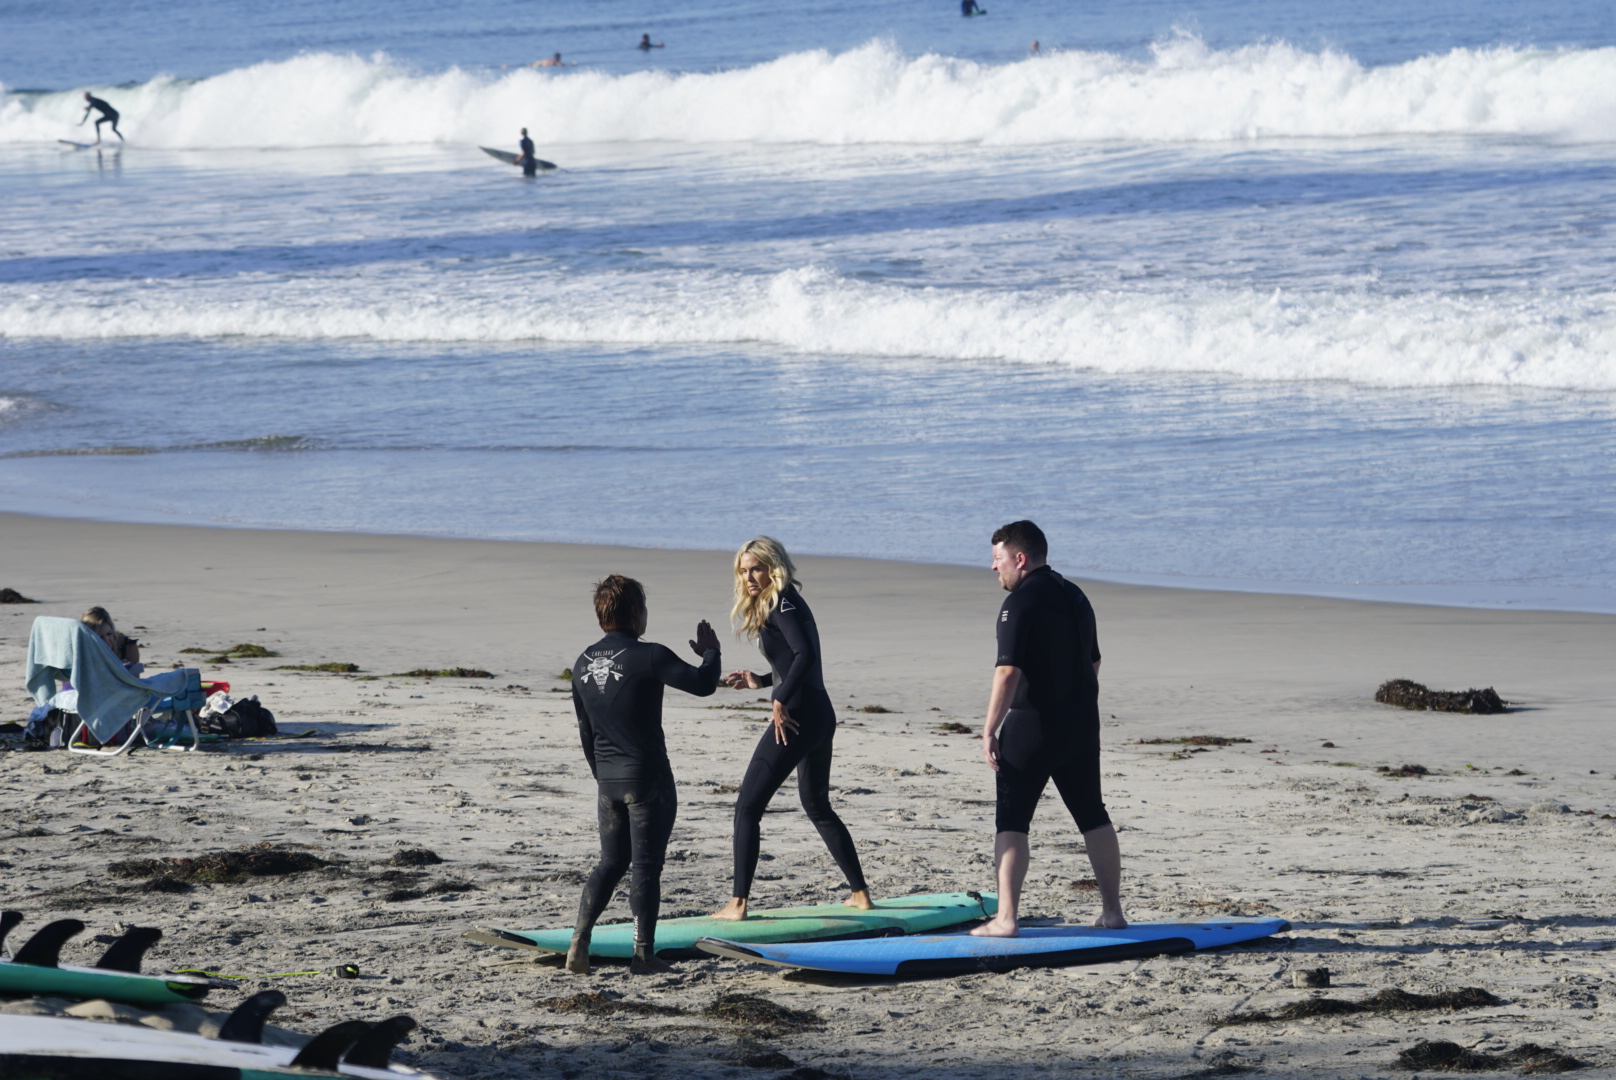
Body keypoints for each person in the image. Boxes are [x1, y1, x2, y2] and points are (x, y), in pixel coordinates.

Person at [971, 520, 1125, 937]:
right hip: (1080, 722)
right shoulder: (1075, 594)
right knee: (1092, 814)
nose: (993, 567)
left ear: (1020, 559)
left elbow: (1006, 672)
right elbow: (1093, 661)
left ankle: (1006, 920)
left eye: (998, 558)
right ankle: (1112, 912)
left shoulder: (1019, 602)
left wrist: (989, 729)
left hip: (1031, 725)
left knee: (1012, 819)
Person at [569, 575, 721, 975]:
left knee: (609, 863)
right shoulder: (650, 655)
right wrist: (711, 653)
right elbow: (705, 686)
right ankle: (642, 955)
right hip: (648, 780)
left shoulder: (582, 663)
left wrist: (603, 778)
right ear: (636, 613)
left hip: (608, 782)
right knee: (646, 867)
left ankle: (579, 940)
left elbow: (586, 732)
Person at [711, 538, 871, 920]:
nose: (749, 577)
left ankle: (738, 904)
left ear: (773, 566)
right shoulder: (786, 602)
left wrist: (780, 698)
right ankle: (860, 894)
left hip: (798, 715)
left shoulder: (780, 601)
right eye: (744, 570)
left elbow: (806, 655)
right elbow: (795, 660)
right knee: (817, 805)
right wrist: (763, 681)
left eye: (756, 568)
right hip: (818, 713)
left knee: (747, 806)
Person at [80, 606, 141, 673]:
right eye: (100, 637)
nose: (106, 640)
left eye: (109, 634)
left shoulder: (127, 647)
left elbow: (134, 681)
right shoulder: (79, 650)